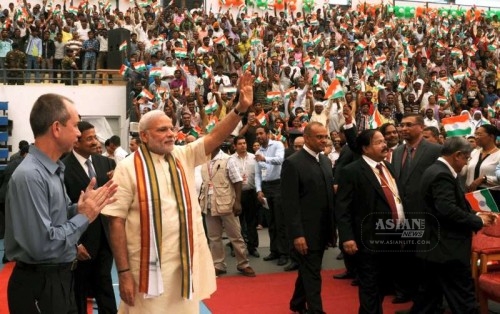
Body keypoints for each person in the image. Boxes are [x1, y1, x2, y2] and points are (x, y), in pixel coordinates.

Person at [101, 70, 255, 313]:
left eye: (170, 129)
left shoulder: (182, 155)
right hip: (147, 269)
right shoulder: (127, 168)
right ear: (144, 136)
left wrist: (239, 108)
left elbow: (215, 136)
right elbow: (116, 222)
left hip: (184, 264)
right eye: (162, 130)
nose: (171, 134)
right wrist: (124, 273)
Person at [4, 93, 117, 314]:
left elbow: (59, 215)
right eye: (75, 126)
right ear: (57, 128)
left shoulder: (52, 171)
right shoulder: (31, 176)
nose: (78, 132)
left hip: (60, 279)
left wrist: (79, 208)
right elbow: (43, 245)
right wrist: (85, 217)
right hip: (40, 284)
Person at [411, 137, 497, 313]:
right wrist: (478, 220)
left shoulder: (434, 169)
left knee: (427, 299)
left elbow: (449, 206)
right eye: (466, 159)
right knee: (464, 300)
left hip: (434, 247)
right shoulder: (442, 174)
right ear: (457, 155)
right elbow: (447, 209)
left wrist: (478, 214)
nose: (466, 164)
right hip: (447, 249)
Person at [336, 129, 406, 314]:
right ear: (365, 148)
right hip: (368, 239)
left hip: (394, 237)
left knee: (383, 285)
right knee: (370, 286)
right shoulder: (351, 171)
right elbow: (343, 208)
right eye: (378, 142)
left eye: (384, 141)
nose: (384, 145)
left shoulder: (388, 167)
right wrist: (347, 237)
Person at [62, 121, 117, 314]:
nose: (96, 142)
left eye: (95, 137)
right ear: (76, 143)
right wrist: (73, 244)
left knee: (106, 289)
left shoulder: (106, 163)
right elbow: (62, 210)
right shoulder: (63, 168)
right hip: (81, 242)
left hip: (105, 239)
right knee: (79, 292)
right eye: (90, 138)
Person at [281, 122, 335, 314]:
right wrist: (297, 235)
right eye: (319, 137)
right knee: (313, 274)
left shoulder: (326, 161)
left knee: (309, 270)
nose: (323, 140)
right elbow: (289, 203)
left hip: (324, 229)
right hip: (305, 232)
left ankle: (297, 303)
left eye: (325, 136)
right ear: (308, 138)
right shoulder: (293, 163)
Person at [390, 113, 441, 303]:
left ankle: (423, 294)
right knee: (404, 254)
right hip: (402, 213)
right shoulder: (397, 151)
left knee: (423, 257)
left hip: (425, 212)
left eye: (408, 125)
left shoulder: (435, 150)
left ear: (420, 127)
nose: (403, 128)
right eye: (401, 125)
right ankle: (405, 291)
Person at [199, 145, 256, 277]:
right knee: (214, 237)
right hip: (208, 203)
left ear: (217, 145)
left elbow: (237, 181)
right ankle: (218, 265)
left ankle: (243, 264)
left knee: (235, 236)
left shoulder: (228, 159)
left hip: (227, 203)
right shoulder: (203, 159)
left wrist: (237, 202)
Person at [255, 125, 288, 266]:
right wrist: (258, 190)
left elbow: (280, 160)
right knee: (271, 222)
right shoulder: (258, 151)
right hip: (266, 188)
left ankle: (284, 253)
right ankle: (274, 250)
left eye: (261, 133)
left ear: (267, 134)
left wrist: (264, 159)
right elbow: (257, 173)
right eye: (257, 134)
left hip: (279, 185)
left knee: (280, 221)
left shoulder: (277, 144)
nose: (259, 136)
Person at [230, 136, 260, 258]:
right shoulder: (230, 160)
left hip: (251, 192)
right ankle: (236, 248)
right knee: (236, 223)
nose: (243, 145)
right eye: (240, 144)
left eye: (244, 143)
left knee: (251, 221)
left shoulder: (254, 158)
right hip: (236, 194)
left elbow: (259, 175)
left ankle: (252, 247)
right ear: (235, 146)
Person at [465, 125, 500, 203]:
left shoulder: (498, 155)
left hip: (491, 196)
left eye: (479, 134)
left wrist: (484, 179)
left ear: (491, 137)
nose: (476, 137)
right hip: (471, 194)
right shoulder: (474, 153)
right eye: (476, 134)